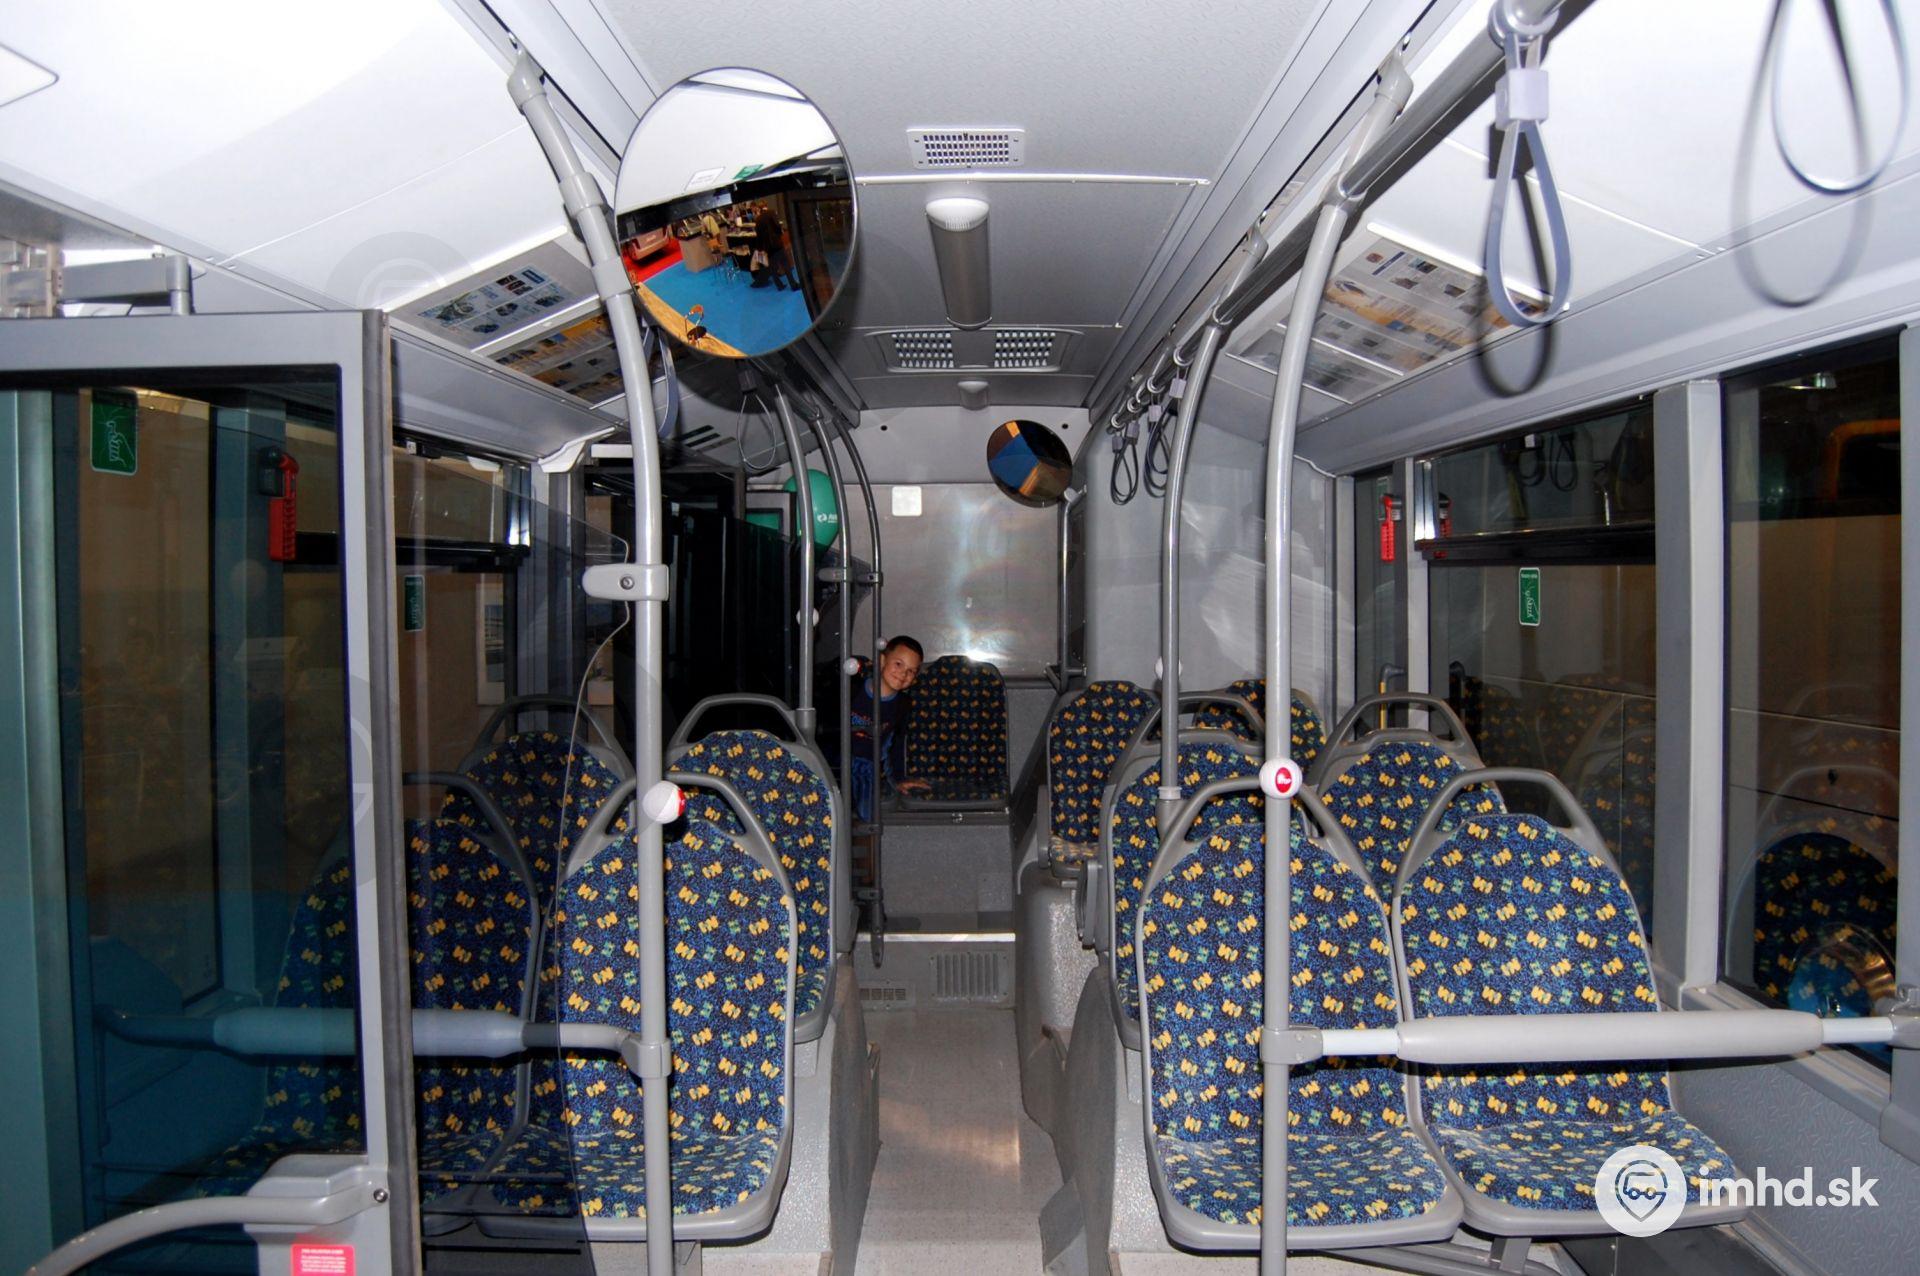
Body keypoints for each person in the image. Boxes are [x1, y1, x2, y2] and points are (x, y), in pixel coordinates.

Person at [840, 634, 926, 820]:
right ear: (882, 661)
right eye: (898, 664)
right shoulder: (853, 689)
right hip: (838, 763)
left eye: (911, 671)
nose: (903, 674)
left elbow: (895, 744)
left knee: (865, 816)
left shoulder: (902, 705)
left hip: (867, 770)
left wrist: (899, 779)